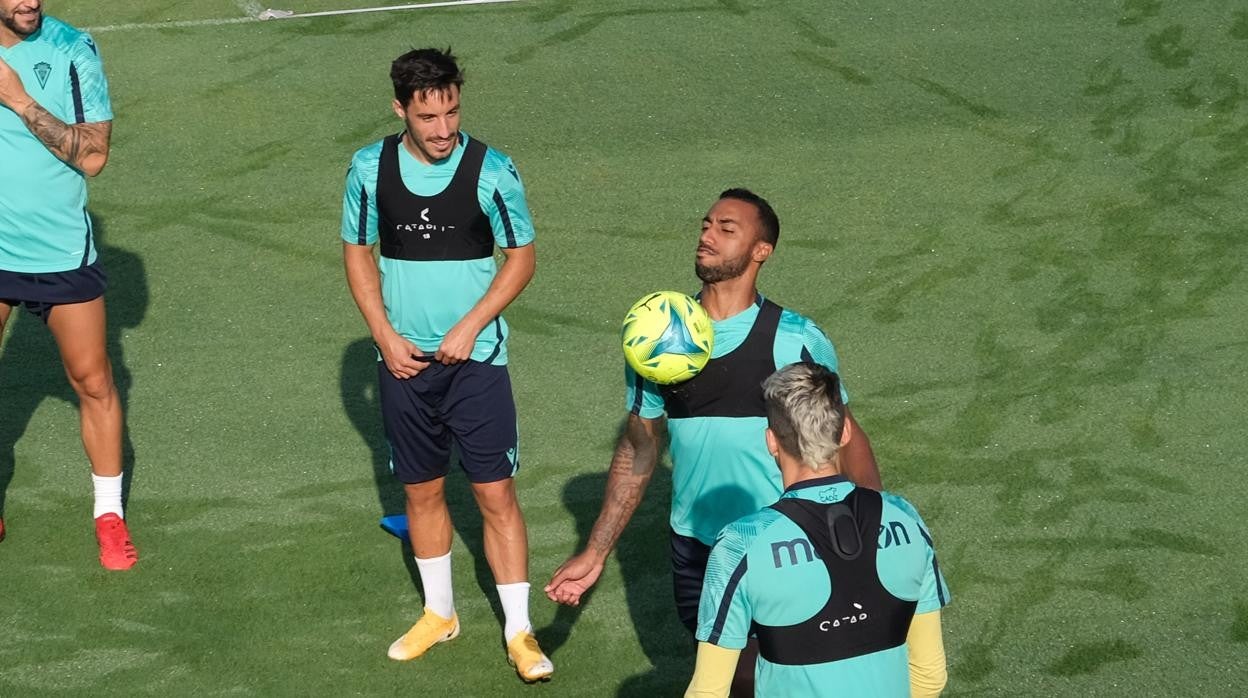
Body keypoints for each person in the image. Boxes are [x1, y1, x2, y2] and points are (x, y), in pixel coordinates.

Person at [546, 188, 882, 692]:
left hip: (782, 540)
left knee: (756, 675)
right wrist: (595, 553)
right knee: (726, 672)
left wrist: (871, 531)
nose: (707, 235)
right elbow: (639, 447)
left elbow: (845, 436)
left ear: (760, 251)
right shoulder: (655, 334)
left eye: (727, 229)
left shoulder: (794, 338)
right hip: (698, 547)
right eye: (706, 225)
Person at [340, 47, 552, 683]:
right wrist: (383, 334)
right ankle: (442, 614)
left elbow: (522, 257)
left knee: (494, 493)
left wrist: (470, 326)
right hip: (403, 365)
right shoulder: (368, 169)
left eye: (453, 112)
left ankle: (519, 629)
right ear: (400, 108)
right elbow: (357, 251)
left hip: (477, 362)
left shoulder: (493, 171)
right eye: (429, 117)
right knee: (422, 490)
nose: (443, 130)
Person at [686, 362, 949, 697]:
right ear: (845, 433)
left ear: (771, 441)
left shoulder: (741, 545)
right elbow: (930, 675)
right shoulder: (905, 518)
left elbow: (708, 692)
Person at [0, 0, 136, 570]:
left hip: (58, 250)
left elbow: (95, 156)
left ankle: (109, 516)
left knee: (94, 380)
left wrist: (17, 98)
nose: (28, 1)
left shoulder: (71, 49)